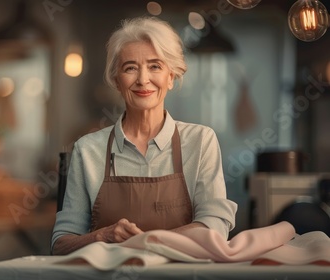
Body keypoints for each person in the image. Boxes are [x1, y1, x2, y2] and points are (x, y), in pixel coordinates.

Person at [51, 16, 237, 255]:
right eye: (130, 68)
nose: (142, 79)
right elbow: (60, 245)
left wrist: (147, 241)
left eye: (155, 66)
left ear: (171, 77)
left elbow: (215, 227)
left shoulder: (201, 141)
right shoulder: (87, 150)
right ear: (117, 80)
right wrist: (103, 235)